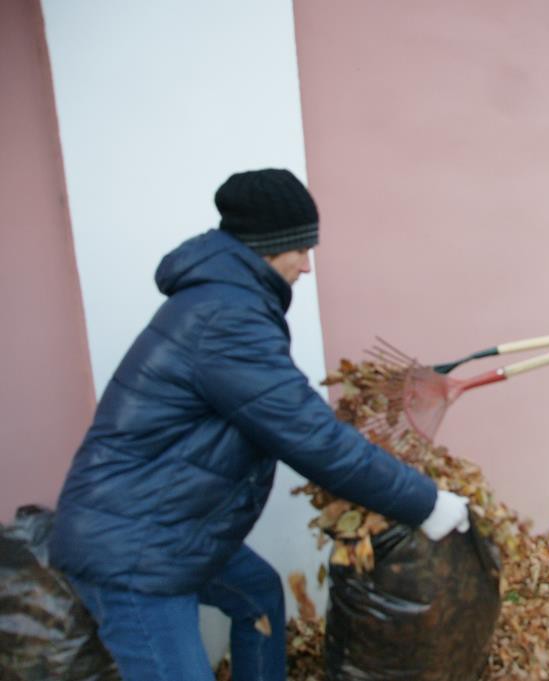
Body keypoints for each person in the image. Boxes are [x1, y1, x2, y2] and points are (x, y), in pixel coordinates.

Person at [48, 169, 470, 681]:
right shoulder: (226, 319)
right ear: (271, 246)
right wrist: (426, 502)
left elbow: (287, 414)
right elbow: (311, 439)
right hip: (134, 553)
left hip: (167, 529)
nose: (308, 266)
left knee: (260, 595)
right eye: (302, 248)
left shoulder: (227, 302)